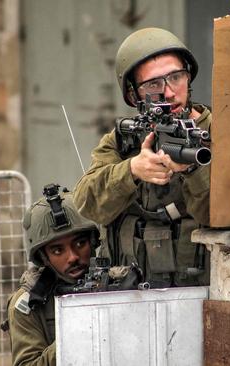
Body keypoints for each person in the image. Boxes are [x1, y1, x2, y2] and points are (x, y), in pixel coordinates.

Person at [73, 27, 211, 288]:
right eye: (153, 84)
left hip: (200, 290)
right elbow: (87, 203)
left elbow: (224, 217)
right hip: (130, 290)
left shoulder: (220, 132)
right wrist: (132, 171)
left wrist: (192, 171)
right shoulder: (123, 140)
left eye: (176, 77)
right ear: (133, 94)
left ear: (189, 77)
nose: (169, 92)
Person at [3, 186, 101, 365]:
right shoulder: (28, 304)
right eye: (57, 250)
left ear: (92, 242)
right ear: (43, 257)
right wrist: (75, 331)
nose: (72, 257)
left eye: (80, 243)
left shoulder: (116, 286)